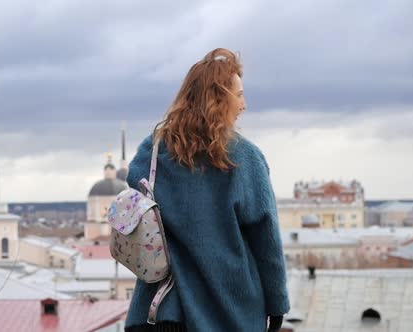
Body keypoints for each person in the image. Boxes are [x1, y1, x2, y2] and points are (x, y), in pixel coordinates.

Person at [123, 48, 290, 332]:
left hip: (159, 310)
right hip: (228, 310)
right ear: (219, 99)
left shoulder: (152, 150)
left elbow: (135, 189)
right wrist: (277, 305)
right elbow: (266, 242)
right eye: (239, 95)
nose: (244, 105)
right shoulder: (245, 158)